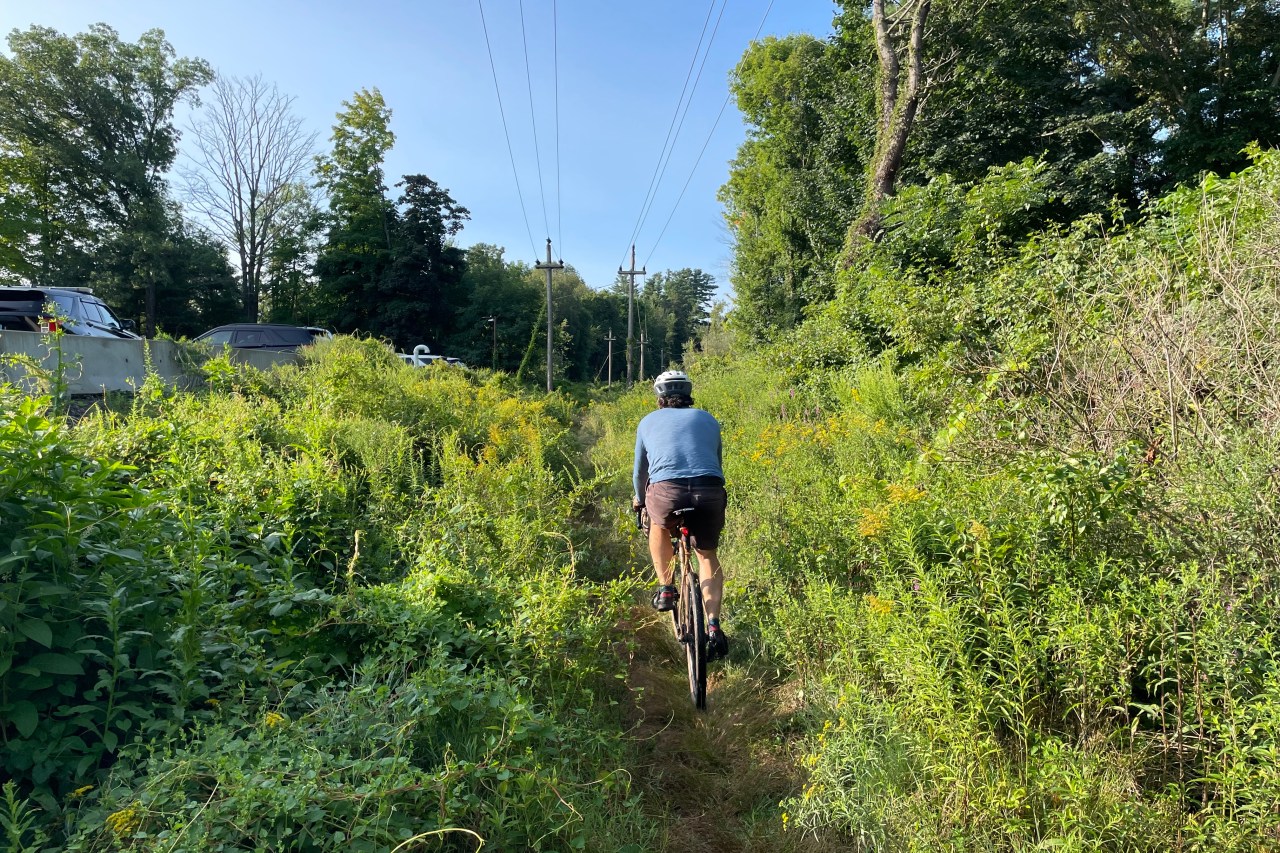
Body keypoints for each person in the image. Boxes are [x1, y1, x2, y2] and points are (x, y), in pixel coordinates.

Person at [632, 370, 729, 661]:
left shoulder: (648, 421)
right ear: (688, 393)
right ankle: (713, 626)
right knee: (707, 556)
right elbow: (716, 463)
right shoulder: (708, 419)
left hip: (667, 492)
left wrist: (640, 501)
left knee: (658, 525)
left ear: (659, 397)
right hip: (709, 491)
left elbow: (640, 472)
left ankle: (666, 588)